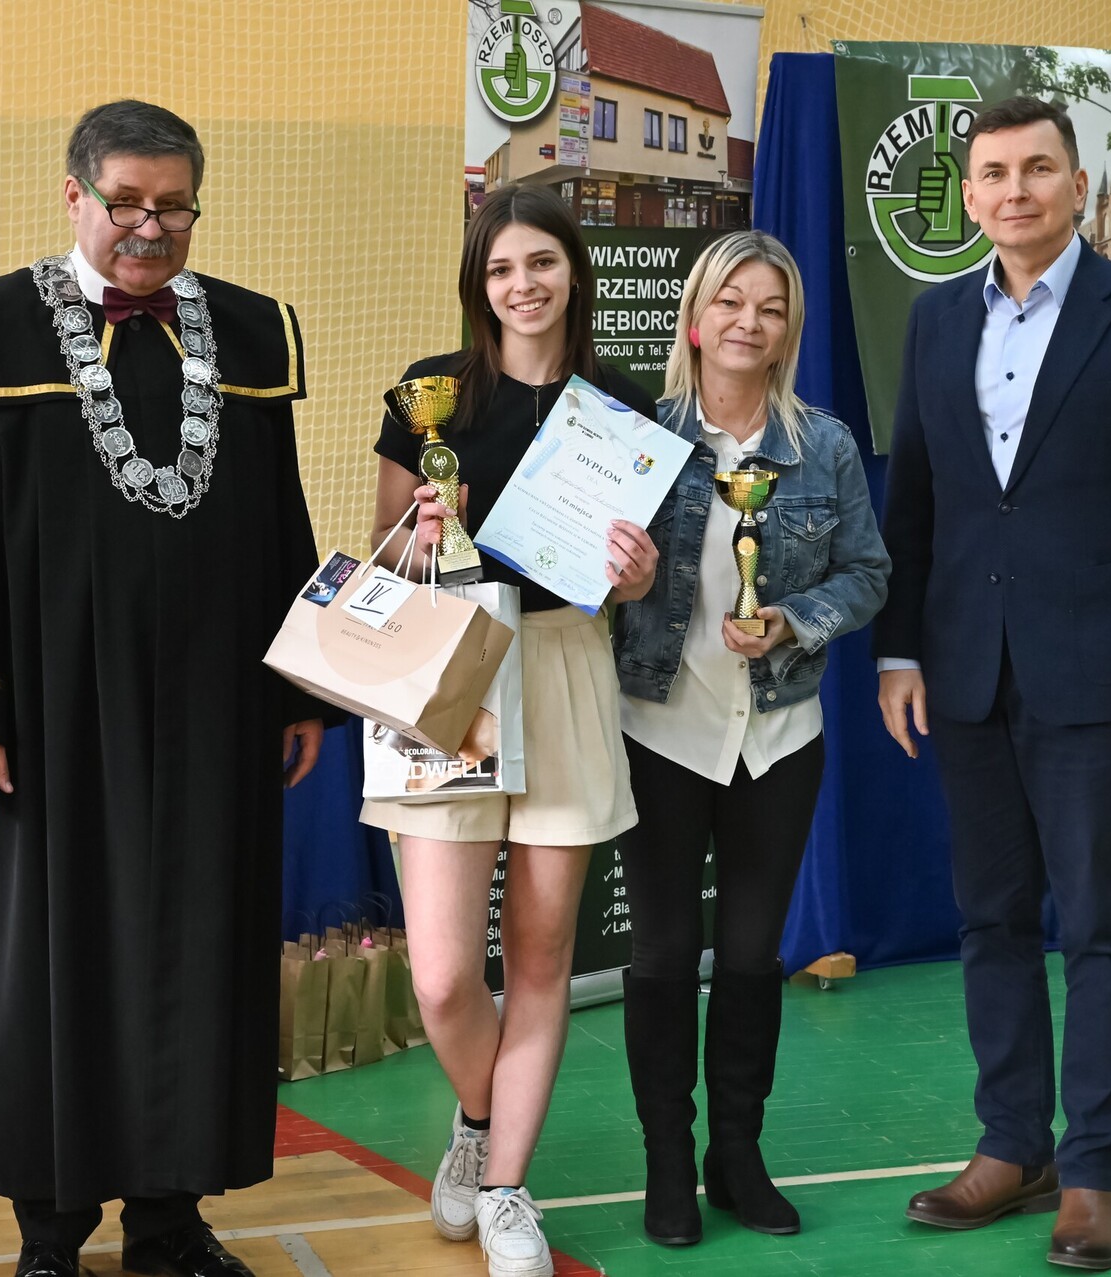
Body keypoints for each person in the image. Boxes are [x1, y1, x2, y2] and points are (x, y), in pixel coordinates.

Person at [0, 101, 330, 1277]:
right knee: (48, 964)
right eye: (124, 202)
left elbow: (278, 518)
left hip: (214, 708)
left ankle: (171, 1224)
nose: (149, 227)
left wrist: (298, 686)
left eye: (173, 205)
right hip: (46, 714)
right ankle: (50, 1235)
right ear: (75, 195)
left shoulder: (251, 334)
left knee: (197, 952)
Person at [873, 96, 1111, 1271]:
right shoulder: (935, 319)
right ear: (971, 197)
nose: (1014, 190)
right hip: (966, 668)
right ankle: (1011, 1146)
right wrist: (900, 649)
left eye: (1037, 169)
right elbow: (915, 499)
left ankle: (1091, 1175)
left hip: (1098, 671)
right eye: (993, 173)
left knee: (1096, 925)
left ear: (1077, 185)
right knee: (990, 917)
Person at [362, 183, 659, 1277]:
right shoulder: (427, 399)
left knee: (540, 957)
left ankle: (504, 1187)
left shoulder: (621, 406)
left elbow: (626, 578)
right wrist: (420, 530)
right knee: (445, 977)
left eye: (541, 262)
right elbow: (385, 553)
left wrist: (639, 575)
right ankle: (482, 1121)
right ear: (477, 284)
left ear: (573, 271)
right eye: (500, 269)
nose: (522, 285)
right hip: (451, 666)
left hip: (567, 666)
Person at [611, 230, 889, 1246]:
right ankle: (666, 1162)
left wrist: (793, 619)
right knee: (662, 951)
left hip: (778, 734)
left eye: (770, 309)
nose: (748, 322)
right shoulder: (639, 435)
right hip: (660, 728)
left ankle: (736, 1154)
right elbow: (576, 571)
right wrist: (623, 582)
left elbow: (868, 572)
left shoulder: (826, 446)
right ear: (695, 317)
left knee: (751, 952)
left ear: (788, 331)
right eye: (730, 301)